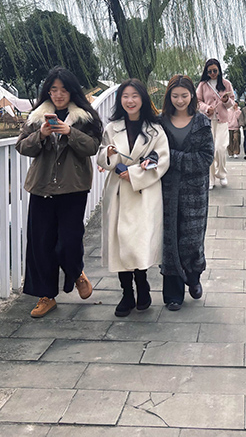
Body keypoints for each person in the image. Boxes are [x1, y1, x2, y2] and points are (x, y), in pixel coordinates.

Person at [15, 67, 104, 318]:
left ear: (72, 91)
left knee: (68, 241)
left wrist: (70, 132)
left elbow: (92, 147)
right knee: (41, 244)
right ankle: (46, 296)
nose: (58, 94)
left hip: (73, 187)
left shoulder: (85, 117)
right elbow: (22, 146)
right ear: (47, 92)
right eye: (53, 89)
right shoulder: (37, 116)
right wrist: (41, 135)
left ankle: (76, 272)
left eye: (63, 89)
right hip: (42, 186)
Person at [97, 79, 170, 317]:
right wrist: (108, 155)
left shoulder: (155, 130)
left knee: (138, 242)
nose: (130, 101)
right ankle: (127, 292)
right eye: (125, 96)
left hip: (143, 192)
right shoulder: (112, 128)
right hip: (119, 190)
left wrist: (136, 174)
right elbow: (102, 157)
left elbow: (163, 159)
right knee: (120, 243)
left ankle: (142, 285)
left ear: (143, 99)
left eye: (135, 96)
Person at [159, 75, 214, 311]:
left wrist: (172, 157)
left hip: (195, 190)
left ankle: (193, 276)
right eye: (175, 96)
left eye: (184, 95)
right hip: (167, 189)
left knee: (192, 237)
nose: (180, 100)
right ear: (169, 97)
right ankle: (173, 293)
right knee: (170, 237)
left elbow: (205, 157)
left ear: (192, 95)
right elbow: (153, 153)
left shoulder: (201, 122)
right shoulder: (160, 122)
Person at [196, 58, 235, 188]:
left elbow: (232, 103)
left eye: (215, 71)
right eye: (210, 71)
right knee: (209, 151)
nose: (212, 73)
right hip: (207, 122)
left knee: (220, 148)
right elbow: (197, 102)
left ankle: (222, 174)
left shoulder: (226, 84)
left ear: (219, 70)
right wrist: (207, 108)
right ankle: (210, 178)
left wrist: (226, 101)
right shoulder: (203, 85)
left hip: (222, 121)